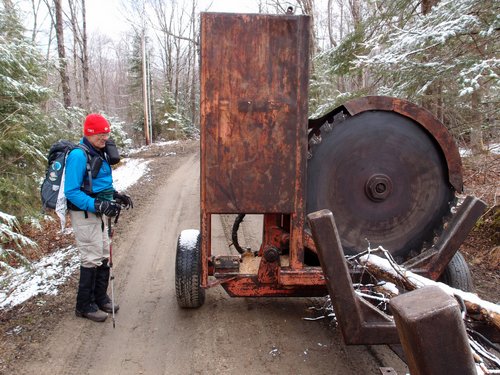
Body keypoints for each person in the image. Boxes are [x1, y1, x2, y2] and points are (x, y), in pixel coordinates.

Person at [65, 113, 133, 322]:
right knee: (91, 256)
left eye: (106, 135)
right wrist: (96, 204)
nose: (105, 139)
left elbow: (99, 183)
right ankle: (84, 306)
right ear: (89, 133)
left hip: (97, 211)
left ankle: (100, 297)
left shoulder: (99, 151)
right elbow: (71, 191)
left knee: (103, 252)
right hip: (84, 213)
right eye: (100, 136)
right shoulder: (78, 155)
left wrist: (114, 195)